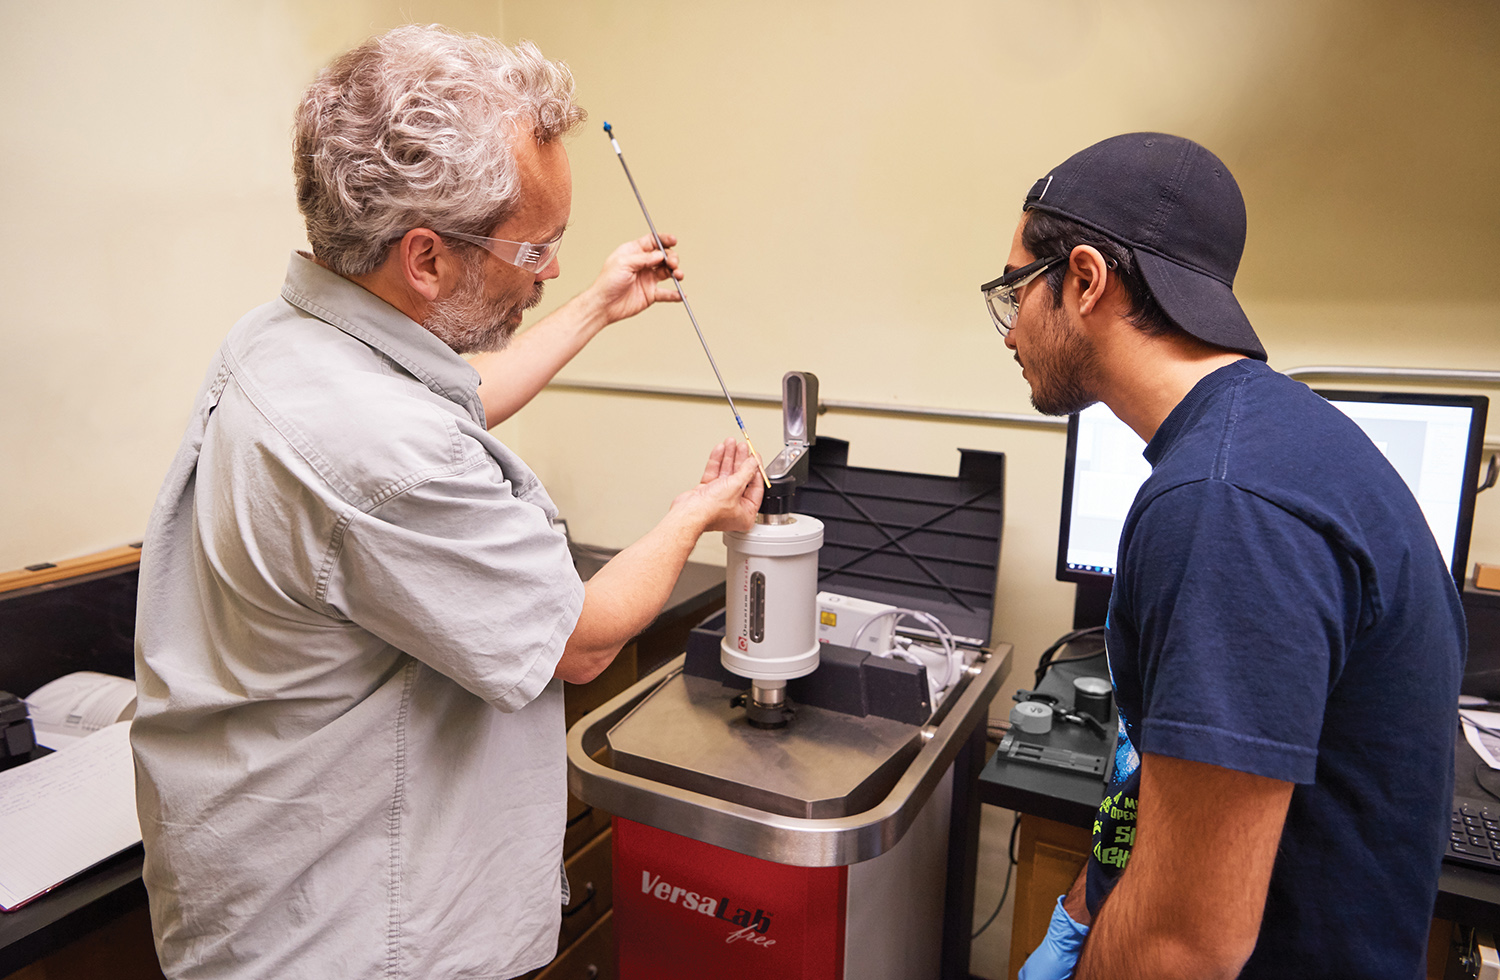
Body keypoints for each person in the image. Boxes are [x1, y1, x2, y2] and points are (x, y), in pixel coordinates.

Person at [130, 25, 763, 980]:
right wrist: (699, 511)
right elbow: (581, 641)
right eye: (537, 247)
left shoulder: (288, 338)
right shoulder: (380, 447)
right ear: (425, 259)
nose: (549, 270)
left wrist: (597, 305)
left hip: (265, 899)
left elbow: (454, 399)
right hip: (351, 940)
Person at [986, 134, 1465, 979]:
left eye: (1014, 290)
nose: (1008, 331)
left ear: (1085, 281)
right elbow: (1171, 784)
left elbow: (1186, 945)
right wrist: (1082, 912)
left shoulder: (1222, 504)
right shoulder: (1270, 441)